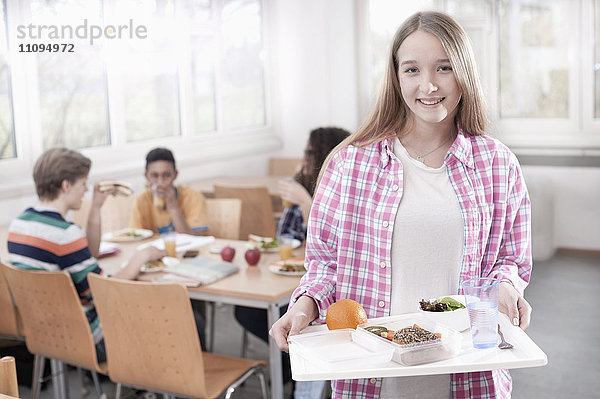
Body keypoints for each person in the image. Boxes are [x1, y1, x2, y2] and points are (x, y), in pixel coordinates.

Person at [270, 11, 532, 399]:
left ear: (464, 72)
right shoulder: (348, 164)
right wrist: (304, 306)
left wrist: (507, 287)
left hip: (469, 374)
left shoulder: (497, 163)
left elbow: (508, 260)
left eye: (443, 67)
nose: (428, 84)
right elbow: (324, 264)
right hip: (370, 376)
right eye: (412, 70)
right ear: (395, 78)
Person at [6, 148, 166, 362]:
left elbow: (90, 253)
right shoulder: (65, 234)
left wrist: (96, 207)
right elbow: (103, 291)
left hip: (42, 334)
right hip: (86, 339)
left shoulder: (19, 223)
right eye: (83, 183)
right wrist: (141, 256)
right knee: (176, 322)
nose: (85, 190)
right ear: (66, 185)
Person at [234, 127, 350, 397]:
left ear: (323, 155)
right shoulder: (299, 183)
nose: (304, 158)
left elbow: (329, 252)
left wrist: (309, 205)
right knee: (246, 310)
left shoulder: (340, 190)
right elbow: (285, 236)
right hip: (289, 272)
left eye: (310, 152)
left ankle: (293, 370)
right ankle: (287, 365)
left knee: (287, 315)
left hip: (315, 283)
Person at [130, 147, 208, 236]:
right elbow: (135, 238)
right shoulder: (141, 200)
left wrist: (173, 206)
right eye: (155, 176)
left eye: (167, 175)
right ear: (146, 177)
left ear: (175, 175)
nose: (160, 182)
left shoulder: (192, 197)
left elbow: (197, 238)